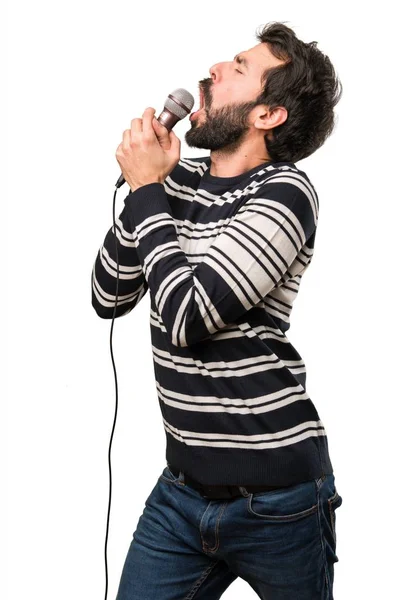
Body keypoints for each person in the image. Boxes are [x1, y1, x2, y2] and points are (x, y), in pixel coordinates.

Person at [91, 20, 343, 600]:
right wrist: (147, 186)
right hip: (181, 495)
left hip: (280, 503)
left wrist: (148, 192)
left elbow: (187, 318)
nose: (213, 70)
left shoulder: (285, 193)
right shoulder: (175, 182)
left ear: (268, 115)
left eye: (238, 67)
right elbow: (108, 294)